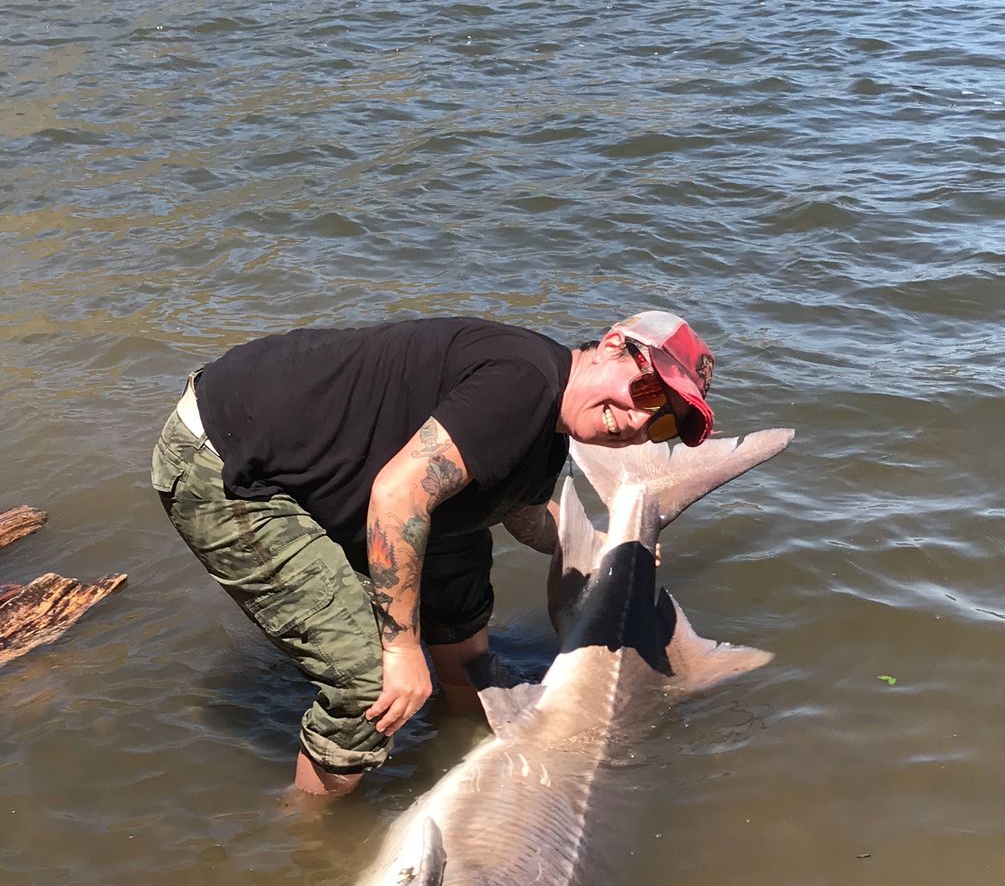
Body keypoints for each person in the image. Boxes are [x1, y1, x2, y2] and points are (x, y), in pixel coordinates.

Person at [151, 309, 715, 799]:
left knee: (468, 625)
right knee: (368, 684)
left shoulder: (545, 430)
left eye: (661, 420)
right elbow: (397, 496)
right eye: (645, 392)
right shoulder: (520, 386)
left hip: (320, 454)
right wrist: (399, 649)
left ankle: (462, 743)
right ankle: (307, 839)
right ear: (613, 345)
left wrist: (608, 551)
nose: (638, 422)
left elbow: (522, 515)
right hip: (227, 457)